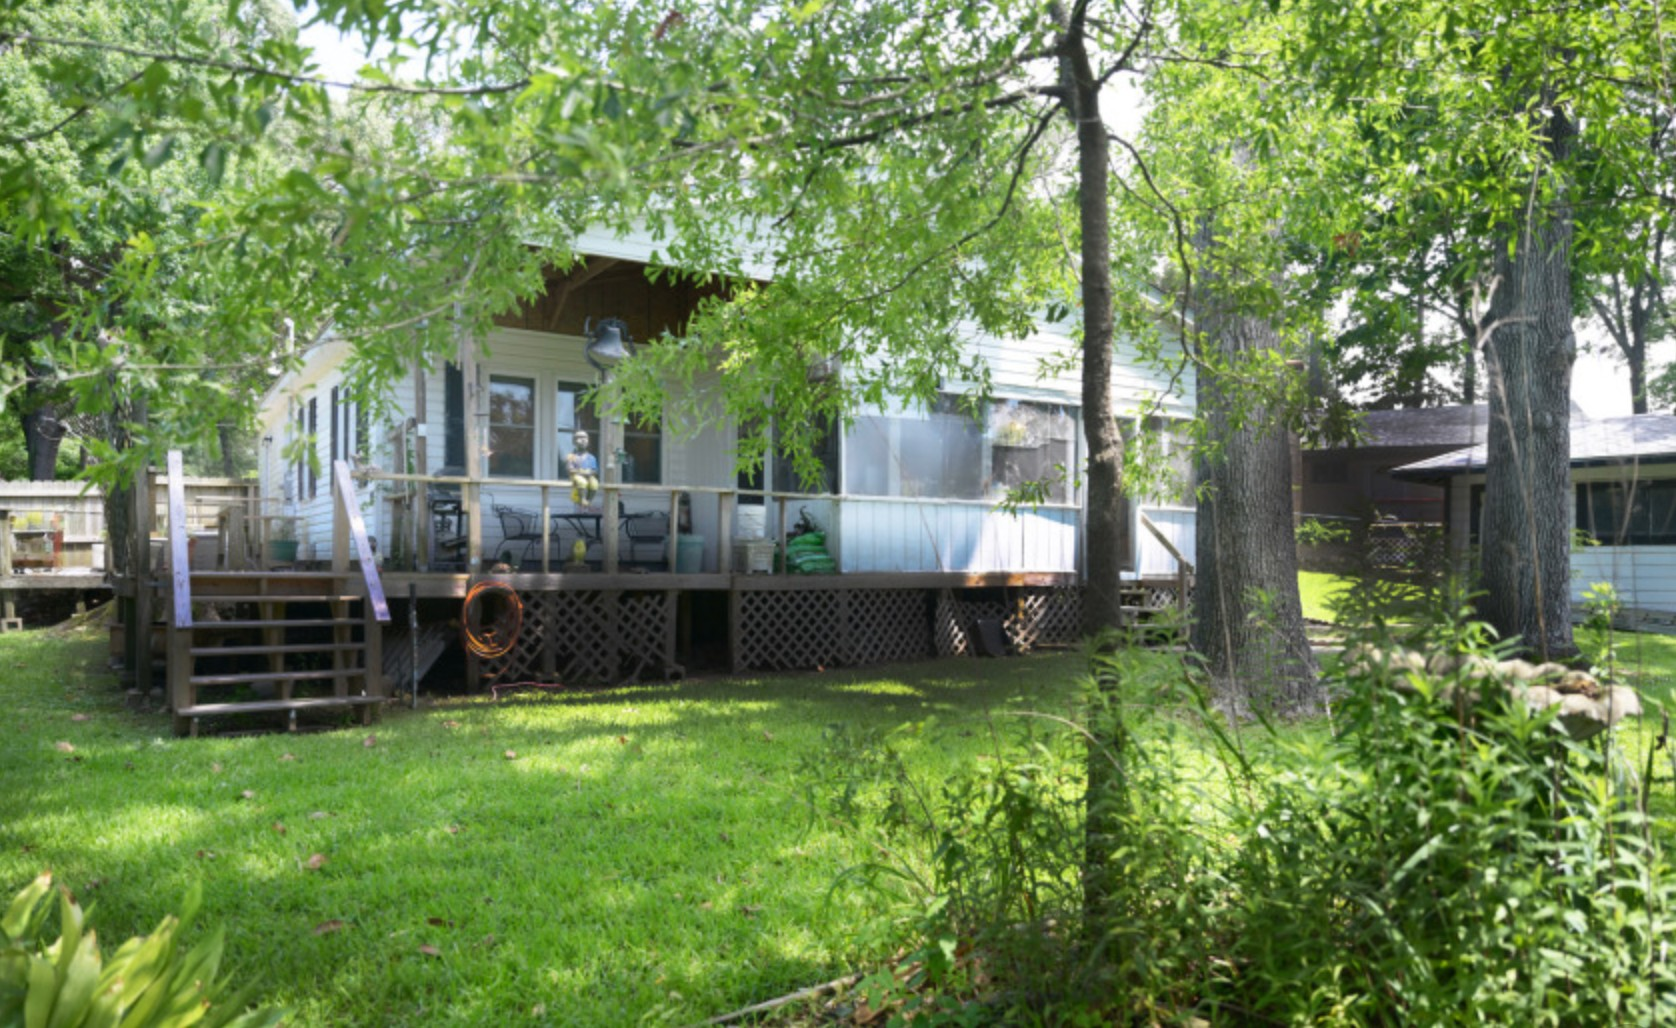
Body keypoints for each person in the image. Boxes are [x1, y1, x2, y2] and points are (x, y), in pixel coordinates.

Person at [566, 430, 600, 508]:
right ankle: (582, 499)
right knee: (581, 482)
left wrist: (590, 473)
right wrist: (581, 472)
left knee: (594, 483)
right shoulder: (572, 456)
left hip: (589, 476)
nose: (583, 440)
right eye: (579, 438)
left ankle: (588, 501)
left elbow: (595, 470)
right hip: (576, 477)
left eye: (585, 438)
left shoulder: (591, 457)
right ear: (574, 442)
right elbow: (570, 470)